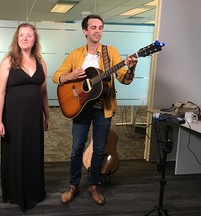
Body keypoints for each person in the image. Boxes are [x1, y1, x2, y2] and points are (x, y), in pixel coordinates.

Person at [52, 14, 138, 206]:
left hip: (103, 109)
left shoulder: (110, 52)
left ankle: (93, 185)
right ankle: (73, 185)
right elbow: (56, 76)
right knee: (76, 149)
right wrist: (70, 75)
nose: (97, 31)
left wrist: (130, 68)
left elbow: (124, 78)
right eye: (93, 27)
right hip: (80, 108)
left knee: (99, 149)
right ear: (85, 31)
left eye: (100, 27)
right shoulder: (75, 54)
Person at [0, 23, 50, 212]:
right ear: (16, 39)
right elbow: (0, 93)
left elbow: (43, 93)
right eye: (22, 35)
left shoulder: (41, 62)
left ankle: (34, 191)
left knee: (33, 153)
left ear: (35, 39)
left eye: (29, 35)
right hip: (14, 119)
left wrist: (47, 117)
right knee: (16, 153)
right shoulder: (8, 61)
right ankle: (16, 193)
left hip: (34, 118)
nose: (25, 38)